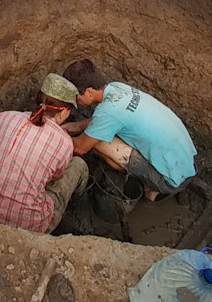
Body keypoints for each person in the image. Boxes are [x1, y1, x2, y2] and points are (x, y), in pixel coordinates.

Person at [59, 59, 196, 202]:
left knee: (96, 143)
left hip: (170, 179)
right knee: (101, 131)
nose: (75, 102)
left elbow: (80, 147)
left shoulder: (109, 110)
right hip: (186, 159)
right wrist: (74, 126)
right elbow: (105, 120)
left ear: (88, 92)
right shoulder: (117, 88)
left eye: (76, 97)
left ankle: (152, 188)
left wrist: (52, 136)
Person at [0, 74, 89, 234]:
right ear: (63, 113)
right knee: (78, 165)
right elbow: (55, 176)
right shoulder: (65, 143)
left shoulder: (9, 118)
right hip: (28, 226)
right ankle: (80, 202)